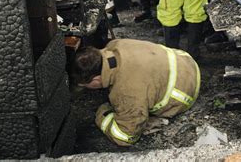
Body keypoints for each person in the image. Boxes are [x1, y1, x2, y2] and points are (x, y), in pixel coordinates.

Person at [71, 39, 200, 146]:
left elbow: (126, 136)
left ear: (96, 79)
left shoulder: (126, 92)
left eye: (85, 85)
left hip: (185, 91)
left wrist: (103, 113)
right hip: (185, 61)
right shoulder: (115, 46)